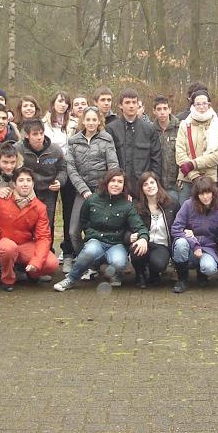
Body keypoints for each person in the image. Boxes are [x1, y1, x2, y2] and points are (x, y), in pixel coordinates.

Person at [53, 169, 148, 291]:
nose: (116, 184)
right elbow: (84, 220)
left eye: (120, 182)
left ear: (124, 185)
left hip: (116, 243)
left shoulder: (127, 205)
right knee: (89, 251)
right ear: (106, 182)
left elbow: (140, 226)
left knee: (119, 263)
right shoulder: (92, 199)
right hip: (96, 241)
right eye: (113, 181)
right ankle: (71, 279)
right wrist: (90, 234)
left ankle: (115, 274)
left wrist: (143, 238)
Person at [0, 166, 59, 292]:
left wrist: (37, 262)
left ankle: (31, 273)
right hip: (4, 243)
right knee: (8, 248)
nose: (25, 184)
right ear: (14, 184)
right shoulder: (0, 200)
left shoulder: (39, 207)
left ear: (33, 184)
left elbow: (43, 237)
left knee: (52, 263)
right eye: (21, 180)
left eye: (28, 180)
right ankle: (8, 279)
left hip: (25, 244)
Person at [65, 106, 119, 272]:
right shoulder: (73, 141)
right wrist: (84, 190)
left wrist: (103, 189)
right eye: (88, 119)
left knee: (100, 230)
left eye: (94, 119)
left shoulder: (107, 139)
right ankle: (88, 263)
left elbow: (113, 166)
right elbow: (71, 168)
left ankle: (101, 263)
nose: (91, 123)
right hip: (82, 192)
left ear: (99, 121)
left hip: (102, 192)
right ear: (83, 121)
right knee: (73, 231)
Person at [169, 176, 218, 293]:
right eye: (201, 194)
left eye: (208, 193)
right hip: (189, 247)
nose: (205, 197)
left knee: (209, 268)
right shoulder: (188, 205)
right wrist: (194, 243)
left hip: (208, 248)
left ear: (213, 192)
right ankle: (182, 279)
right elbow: (175, 229)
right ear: (196, 195)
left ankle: (202, 273)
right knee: (180, 243)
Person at [106, 88, 162, 195]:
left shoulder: (149, 129)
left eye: (134, 102)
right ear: (120, 105)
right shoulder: (111, 129)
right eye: (127, 102)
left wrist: (154, 183)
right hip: (119, 187)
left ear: (138, 104)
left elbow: (156, 160)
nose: (131, 106)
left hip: (143, 187)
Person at [42, 91, 77, 264]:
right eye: (60, 101)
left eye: (66, 102)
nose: (63, 105)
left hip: (69, 172)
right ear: (53, 103)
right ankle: (46, 250)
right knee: (47, 213)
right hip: (49, 172)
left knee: (68, 212)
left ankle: (68, 251)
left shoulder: (74, 124)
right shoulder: (43, 124)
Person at [175, 89, 218, 205]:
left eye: (204, 103)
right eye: (198, 104)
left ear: (209, 105)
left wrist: (193, 164)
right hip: (187, 179)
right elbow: (180, 154)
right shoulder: (184, 125)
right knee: (186, 211)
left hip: (209, 179)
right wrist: (195, 177)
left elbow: (217, 156)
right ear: (192, 105)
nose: (201, 107)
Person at [128, 172, 178, 288]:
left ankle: (154, 273)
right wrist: (130, 237)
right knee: (136, 250)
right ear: (141, 189)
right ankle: (140, 274)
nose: (149, 186)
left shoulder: (171, 203)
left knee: (159, 264)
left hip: (162, 245)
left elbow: (180, 223)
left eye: (152, 182)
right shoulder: (135, 206)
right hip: (144, 241)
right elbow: (128, 228)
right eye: (145, 184)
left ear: (157, 184)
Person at [151, 95, 181, 201]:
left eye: (165, 108)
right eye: (159, 109)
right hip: (157, 183)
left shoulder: (180, 128)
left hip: (177, 183)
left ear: (170, 110)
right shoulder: (150, 130)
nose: (162, 112)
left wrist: (182, 177)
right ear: (154, 111)